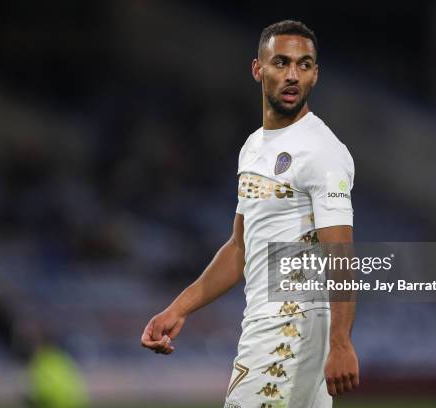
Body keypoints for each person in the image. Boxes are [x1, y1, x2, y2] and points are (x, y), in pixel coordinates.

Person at [141, 20, 359, 407]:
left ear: (316, 74)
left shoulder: (322, 151)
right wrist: (179, 308)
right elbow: (240, 248)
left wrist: (341, 342)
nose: (293, 75)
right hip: (269, 325)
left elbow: (340, 255)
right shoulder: (254, 148)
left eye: (304, 65)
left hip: (289, 330)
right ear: (258, 69)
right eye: (281, 63)